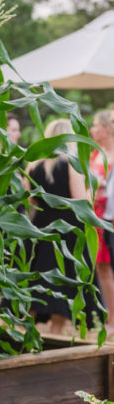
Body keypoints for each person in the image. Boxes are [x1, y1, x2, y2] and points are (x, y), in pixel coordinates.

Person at [26, 119, 92, 334]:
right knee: (62, 282)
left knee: (38, 280)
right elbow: (80, 200)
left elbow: (30, 198)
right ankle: (54, 335)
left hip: (41, 226)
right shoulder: (72, 163)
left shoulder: (35, 164)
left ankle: (27, 331)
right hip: (67, 229)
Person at [89, 110, 114, 331]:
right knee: (99, 267)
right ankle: (108, 317)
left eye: (96, 126)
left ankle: (113, 320)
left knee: (106, 268)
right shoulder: (94, 155)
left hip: (109, 217)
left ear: (106, 128)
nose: (92, 130)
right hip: (94, 215)